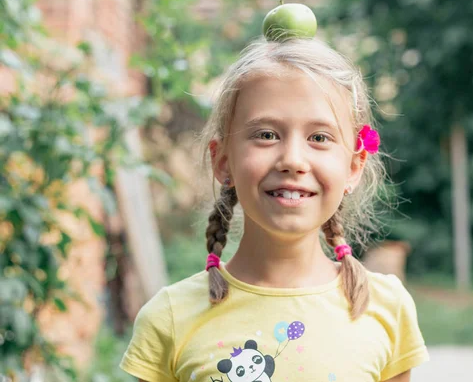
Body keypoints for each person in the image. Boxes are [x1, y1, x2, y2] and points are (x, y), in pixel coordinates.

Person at [120, 22, 429, 382]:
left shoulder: (386, 308)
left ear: (354, 167)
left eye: (319, 137)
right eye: (266, 134)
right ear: (224, 162)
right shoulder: (169, 318)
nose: (293, 160)